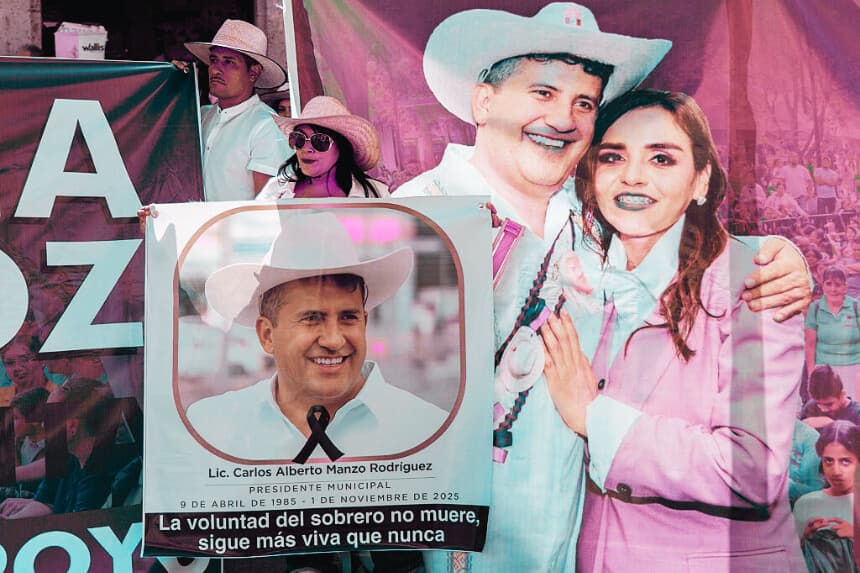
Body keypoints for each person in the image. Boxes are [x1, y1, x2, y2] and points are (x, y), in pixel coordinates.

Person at [394, 4, 810, 571]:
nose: (563, 119)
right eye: (543, 92)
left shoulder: (592, 221)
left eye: (584, 103)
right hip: (472, 549)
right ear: (484, 101)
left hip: (589, 546)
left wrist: (775, 256)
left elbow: (681, 243)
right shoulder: (411, 219)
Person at [542, 90, 805, 571]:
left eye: (661, 158)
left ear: (701, 179)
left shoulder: (755, 283)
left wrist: (595, 419)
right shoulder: (581, 283)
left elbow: (753, 469)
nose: (633, 175)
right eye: (613, 157)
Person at [185, 212, 445, 460]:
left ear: (364, 323)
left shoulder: (428, 430)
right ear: (267, 335)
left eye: (348, 317)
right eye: (311, 318)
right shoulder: (212, 429)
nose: (334, 340)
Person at [183, 19, 290, 201]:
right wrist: (170, 79)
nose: (215, 70)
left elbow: (268, 207)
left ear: (253, 73)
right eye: (214, 60)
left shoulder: (268, 126)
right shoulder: (201, 116)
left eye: (229, 62)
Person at [0, 378, 119, 518]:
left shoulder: (99, 475)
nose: (43, 425)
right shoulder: (69, 460)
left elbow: (77, 524)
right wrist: (10, 520)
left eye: (50, 416)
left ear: (72, 426)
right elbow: (44, 501)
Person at [257, 96, 389, 200]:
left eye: (320, 141)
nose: (306, 148)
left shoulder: (375, 194)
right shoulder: (274, 191)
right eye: (299, 139)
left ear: (341, 147)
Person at [793, 421, 860, 572]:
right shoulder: (805, 503)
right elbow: (792, 562)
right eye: (828, 460)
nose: (836, 471)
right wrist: (805, 541)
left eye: (845, 461)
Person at [805, 265, 860, 390]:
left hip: (854, 368)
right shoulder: (815, 308)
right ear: (823, 286)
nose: (833, 289)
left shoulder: (856, 306)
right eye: (828, 284)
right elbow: (810, 345)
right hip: (824, 370)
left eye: (838, 285)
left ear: (845, 287)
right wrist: (811, 375)